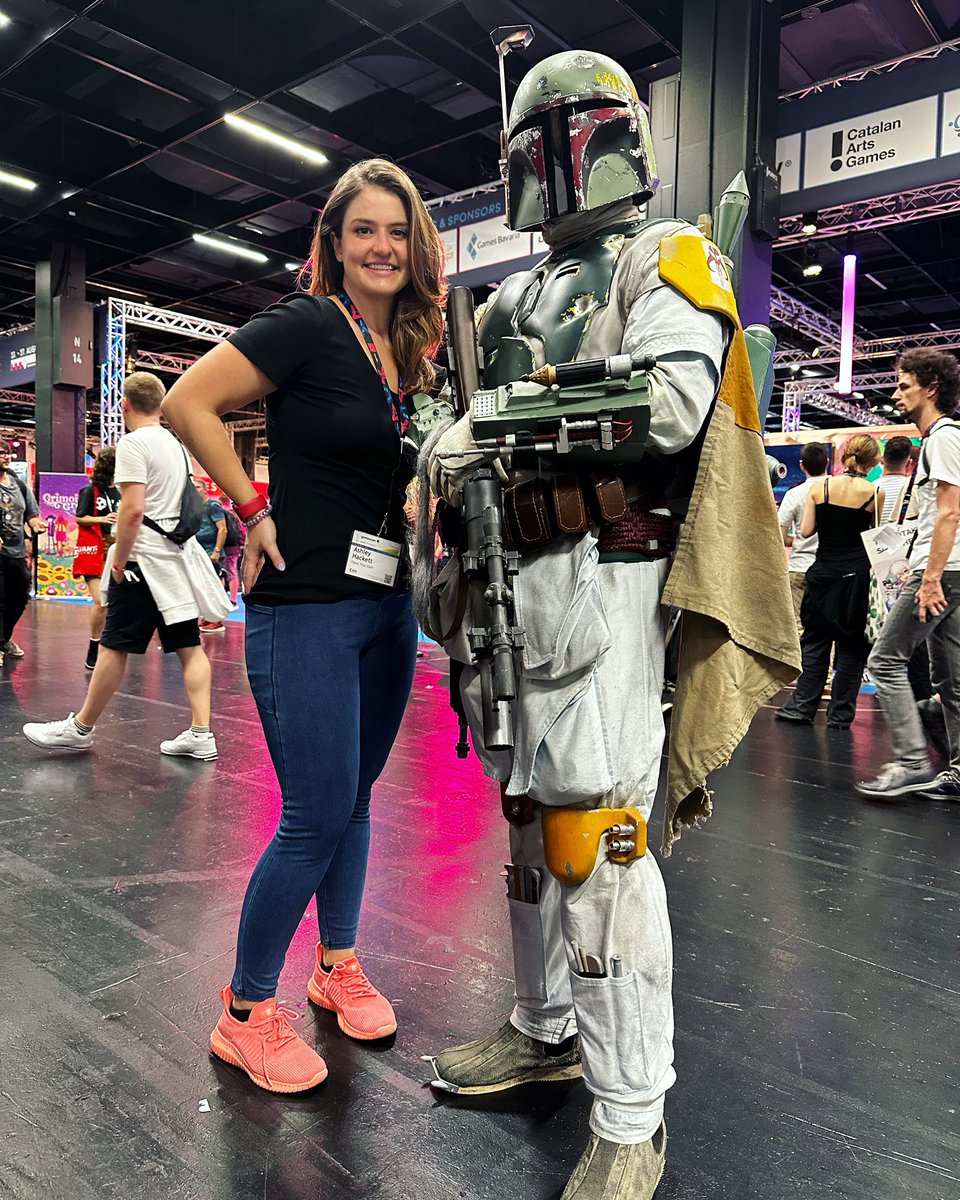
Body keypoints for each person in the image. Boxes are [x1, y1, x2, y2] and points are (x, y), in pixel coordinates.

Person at [421, 51, 798, 1200]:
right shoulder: (513, 297)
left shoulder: (664, 254)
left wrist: (498, 425)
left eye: (575, 135)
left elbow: (675, 403)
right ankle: (545, 1031)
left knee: (601, 847)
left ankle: (631, 1114)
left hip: (608, 576)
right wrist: (458, 435)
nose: (556, 163)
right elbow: (469, 421)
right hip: (510, 583)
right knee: (533, 833)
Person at [160, 158, 445, 1094]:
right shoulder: (310, 324)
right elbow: (186, 402)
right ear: (333, 242)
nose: (383, 247)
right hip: (307, 605)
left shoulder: (408, 347)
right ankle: (243, 1013)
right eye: (364, 230)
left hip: (387, 605)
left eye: (397, 231)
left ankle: (337, 965)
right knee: (315, 813)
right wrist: (247, 506)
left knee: (356, 803)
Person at [22, 372, 228, 759]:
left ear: (126, 405)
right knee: (189, 646)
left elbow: (131, 511)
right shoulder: (175, 445)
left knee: (114, 646)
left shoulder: (133, 444)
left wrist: (118, 562)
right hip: (175, 561)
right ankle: (201, 732)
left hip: (142, 561)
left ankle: (80, 728)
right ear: (161, 405)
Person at [858, 349, 960, 799]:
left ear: (930, 388)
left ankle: (913, 760)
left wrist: (931, 576)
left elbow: (950, 514)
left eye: (904, 385)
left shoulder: (942, 437)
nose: (896, 393)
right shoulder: (940, 439)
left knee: (885, 660)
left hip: (942, 572)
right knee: (952, 679)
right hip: (951, 570)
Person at [776, 434, 882, 731]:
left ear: (844, 456)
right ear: (873, 461)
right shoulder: (875, 493)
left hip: (822, 573)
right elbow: (873, 538)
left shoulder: (820, 487)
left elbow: (806, 531)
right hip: (856, 578)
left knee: (815, 642)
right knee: (851, 649)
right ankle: (840, 715)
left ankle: (802, 707)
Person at [73, 446, 121, 670]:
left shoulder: (123, 490)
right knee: (101, 601)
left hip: (120, 548)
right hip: (96, 550)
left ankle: (110, 646)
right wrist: (103, 520)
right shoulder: (89, 491)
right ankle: (94, 645)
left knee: (116, 602)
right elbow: (80, 518)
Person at [0, 439, 45, 666]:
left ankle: (4, 639)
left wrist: (36, 523)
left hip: (16, 551)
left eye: (7, 453)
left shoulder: (18, 484)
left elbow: (31, 512)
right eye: (1, 453)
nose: (6, 457)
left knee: (20, 596)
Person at [778, 441, 828, 629]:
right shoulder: (837, 491)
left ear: (802, 465)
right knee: (824, 629)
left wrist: (796, 539)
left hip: (799, 568)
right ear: (828, 462)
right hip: (828, 569)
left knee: (798, 627)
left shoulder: (793, 494)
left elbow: (782, 536)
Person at [194, 479, 227, 633]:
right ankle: (209, 617)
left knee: (213, 585)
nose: (195, 489)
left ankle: (217, 619)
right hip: (200, 552)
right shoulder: (197, 507)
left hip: (211, 552)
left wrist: (217, 550)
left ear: (205, 489)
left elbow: (222, 529)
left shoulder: (213, 506)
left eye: (198, 486)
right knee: (204, 586)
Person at [219, 495, 244, 606]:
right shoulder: (235, 513)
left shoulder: (221, 513)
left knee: (222, 573)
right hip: (236, 546)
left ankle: (225, 600)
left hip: (225, 546)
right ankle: (233, 600)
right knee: (233, 572)